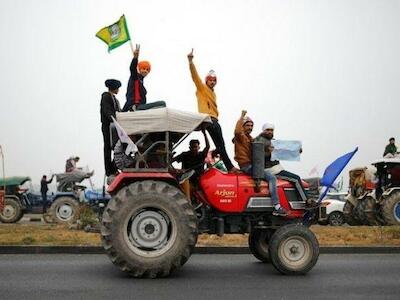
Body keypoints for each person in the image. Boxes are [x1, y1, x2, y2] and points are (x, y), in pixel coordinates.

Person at [187, 49, 238, 173]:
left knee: (220, 145)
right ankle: (230, 167)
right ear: (206, 80)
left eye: (214, 80)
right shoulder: (202, 89)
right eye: (210, 80)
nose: (212, 82)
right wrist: (190, 62)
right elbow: (195, 77)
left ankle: (226, 164)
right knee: (221, 145)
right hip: (209, 119)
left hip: (214, 119)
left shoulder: (213, 93)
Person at [233, 111, 287, 216]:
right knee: (272, 178)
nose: (250, 127)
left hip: (253, 165)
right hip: (247, 166)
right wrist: (241, 117)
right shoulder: (241, 136)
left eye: (251, 126)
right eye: (247, 125)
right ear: (243, 126)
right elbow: (237, 131)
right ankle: (276, 206)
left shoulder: (250, 138)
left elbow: (259, 150)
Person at [255, 123, 309, 204]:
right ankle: (306, 201)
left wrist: (295, 151)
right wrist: (269, 153)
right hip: (271, 169)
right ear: (263, 131)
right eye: (267, 130)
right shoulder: (260, 141)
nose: (270, 132)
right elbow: (258, 156)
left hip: (277, 168)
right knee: (296, 178)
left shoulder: (272, 141)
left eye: (271, 130)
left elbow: (282, 151)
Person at [122, 44, 166, 111]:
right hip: (136, 107)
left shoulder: (141, 81)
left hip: (141, 106)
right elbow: (132, 68)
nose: (145, 71)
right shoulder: (135, 77)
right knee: (162, 104)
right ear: (139, 69)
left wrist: (123, 111)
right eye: (143, 68)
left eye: (147, 70)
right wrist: (135, 58)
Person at [100, 79, 121, 177]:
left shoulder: (115, 99)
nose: (119, 90)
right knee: (108, 147)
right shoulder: (106, 96)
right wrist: (113, 118)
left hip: (115, 125)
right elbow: (107, 110)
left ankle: (114, 167)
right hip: (108, 125)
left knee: (118, 147)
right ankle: (109, 170)